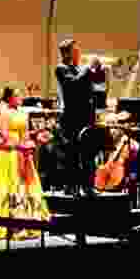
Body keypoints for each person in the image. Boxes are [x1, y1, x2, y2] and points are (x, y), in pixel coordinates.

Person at [0, 87, 51, 240]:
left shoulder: (22, 112)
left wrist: (34, 139)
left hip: (21, 153)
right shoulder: (0, 111)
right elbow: (4, 135)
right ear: (9, 97)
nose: (21, 98)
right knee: (7, 187)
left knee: (25, 187)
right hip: (7, 153)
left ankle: (27, 223)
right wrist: (21, 146)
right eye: (18, 95)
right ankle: (9, 225)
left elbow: (24, 134)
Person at [55, 39, 96, 197]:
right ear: (68, 52)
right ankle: (71, 186)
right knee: (72, 154)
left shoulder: (80, 69)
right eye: (75, 50)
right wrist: (87, 69)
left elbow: (89, 89)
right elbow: (72, 86)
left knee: (87, 154)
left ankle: (88, 187)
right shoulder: (61, 68)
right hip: (71, 118)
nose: (78, 52)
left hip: (85, 116)